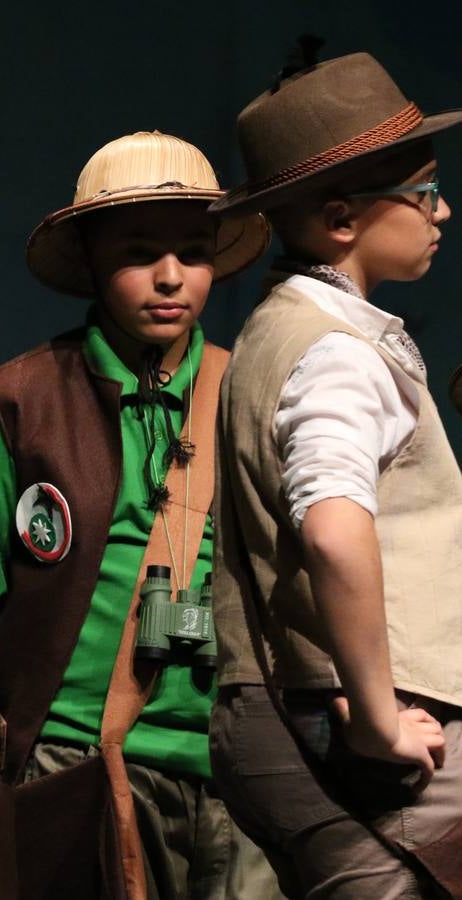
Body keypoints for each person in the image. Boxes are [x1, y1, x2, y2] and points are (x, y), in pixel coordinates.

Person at [0, 131, 277, 899]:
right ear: (92, 260)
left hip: (235, 772)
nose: (171, 278)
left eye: (194, 252)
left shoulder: (252, 394)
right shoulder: (17, 400)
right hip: (70, 762)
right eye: (140, 252)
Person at [207, 50, 462, 898]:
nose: (443, 211)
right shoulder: (335, 355)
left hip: (298, 703)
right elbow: (333, 527)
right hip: (339, 709)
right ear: (344, 218)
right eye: (424, 193)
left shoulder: (284, 328)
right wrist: (380, 713)